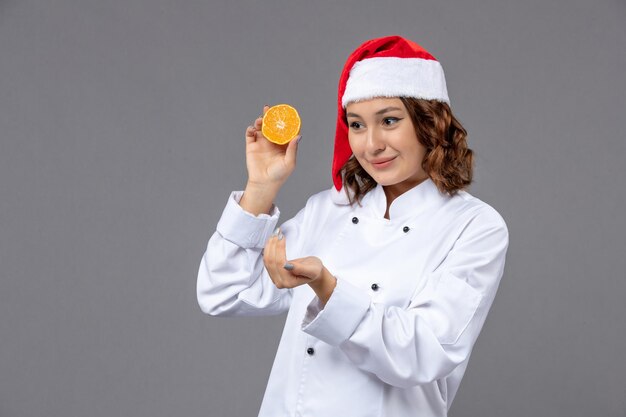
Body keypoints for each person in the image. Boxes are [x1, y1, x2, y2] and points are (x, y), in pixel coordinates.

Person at [197, 35, 509, 417]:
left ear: (432, 122)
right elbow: (223, 293)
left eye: (389, 120)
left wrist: (328, 288)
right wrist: (261, 188)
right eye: (357, 125)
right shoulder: (329, 209)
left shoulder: (474, 226)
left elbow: (424, 352)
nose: (372, 143)